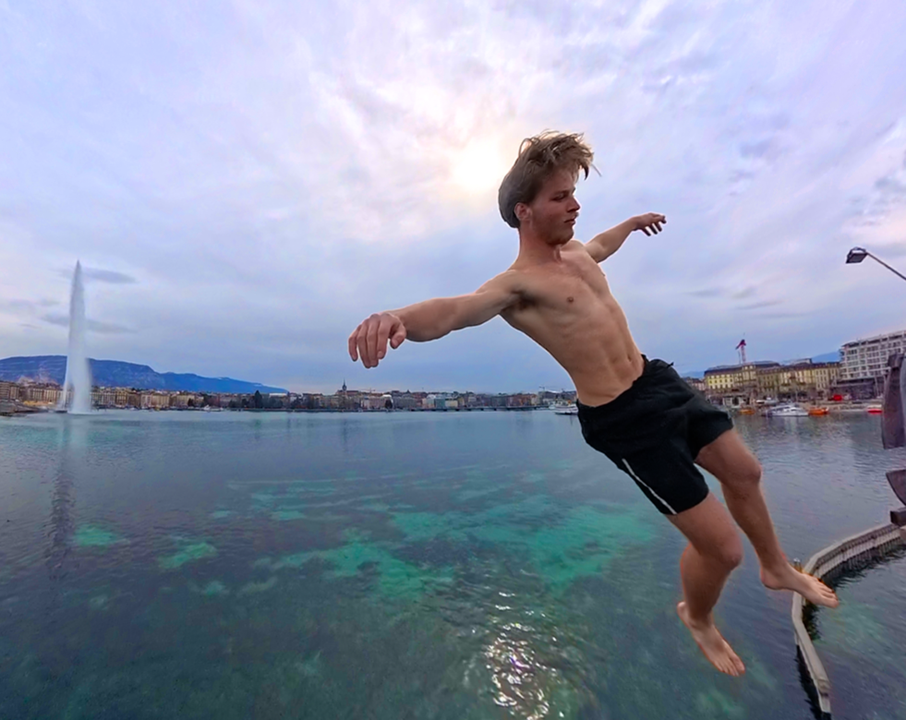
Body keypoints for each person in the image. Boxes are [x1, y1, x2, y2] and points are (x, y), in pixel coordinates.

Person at [346, 131, 838, 677]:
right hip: (624, 420)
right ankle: (697, 617)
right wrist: (396, 318)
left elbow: (602, 243)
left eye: (574, 194)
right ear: (524, 211)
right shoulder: (515, 286)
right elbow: (457, 310)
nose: (574, 205)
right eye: (560, 197)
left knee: (746, 471)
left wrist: (629, 225)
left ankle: (775, 566)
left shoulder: (578, 253)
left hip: (655, 379)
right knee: (722, 550)